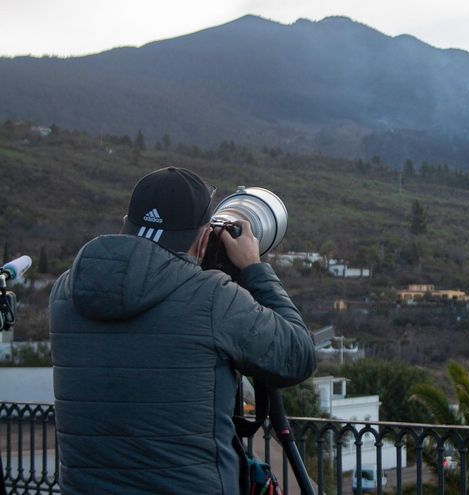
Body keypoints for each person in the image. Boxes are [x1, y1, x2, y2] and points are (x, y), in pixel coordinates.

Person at [49, 167, 316, 494]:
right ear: (204, 238)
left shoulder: (66, 291)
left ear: (125, 223)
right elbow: (298, 356)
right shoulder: (212, 298)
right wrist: (253, 268)